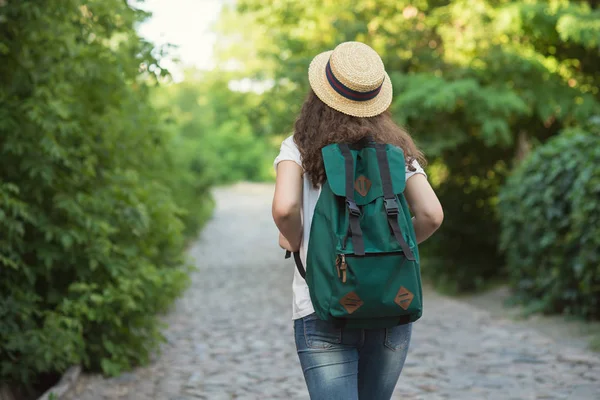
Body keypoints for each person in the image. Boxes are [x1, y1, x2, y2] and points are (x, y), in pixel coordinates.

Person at [272, 41, 443, 400]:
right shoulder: (397, 151)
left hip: (320, 304)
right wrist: (394, 246)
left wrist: (295, 239)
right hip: (388, 302)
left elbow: (285, 208)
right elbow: (431, 214)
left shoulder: (299, 146)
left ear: (319, 95)